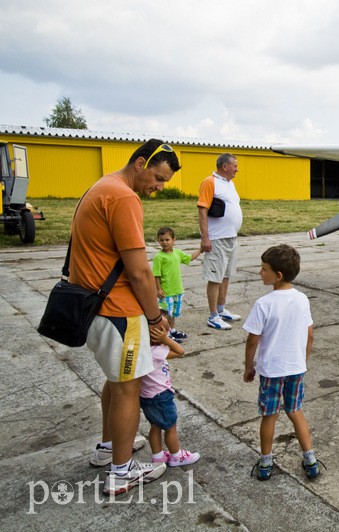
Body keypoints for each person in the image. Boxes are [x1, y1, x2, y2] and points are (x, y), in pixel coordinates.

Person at [75, 139, 180, 495]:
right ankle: (121, 472)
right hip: (118, 311)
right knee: (128, 389)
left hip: (93, 306)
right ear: (139, 164)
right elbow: (139, 272)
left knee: (115, 382)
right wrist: (154, 318)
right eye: (158, 177)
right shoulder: (124, 197)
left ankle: (109, 448)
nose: (159, 186)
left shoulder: (103, 186)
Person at [243, 244, 322, 481]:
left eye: (263, 269)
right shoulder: (302, 299)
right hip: (296, 368)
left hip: (271, 371)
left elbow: (252, 340)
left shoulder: (264, 303)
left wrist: (249, 366)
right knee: (295, 411)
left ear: (277, 275)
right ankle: (310, 459)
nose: (260, 273)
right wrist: (302, 360)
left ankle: (266, 462)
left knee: (270, 416)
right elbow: (310, 334)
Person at [140, 319, 200, 467]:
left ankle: (158, 457)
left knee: (155, 426)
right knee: (170, 427)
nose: (168, 333)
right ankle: (176, 456)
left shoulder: (142, 348)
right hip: (161, 396)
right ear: (157, 335)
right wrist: (165, 340)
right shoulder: (156, 351)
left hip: (146, 395)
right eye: (165, 331)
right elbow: (180, 351)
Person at [198, 153, 243, 331]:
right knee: (215, 278)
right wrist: (205, 238)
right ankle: (213, 316)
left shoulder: (230, 184)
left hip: (231, 237)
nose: (237, 169)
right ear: (225, 166)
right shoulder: (210, 182)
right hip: (217, 239)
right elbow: (202, 210)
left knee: (225, 276)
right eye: (235, 166)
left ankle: (221, 309)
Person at [153, 226, 202, 342]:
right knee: (165, 313)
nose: (164, 242)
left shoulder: (178, 253)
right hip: (166, 291)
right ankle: (165, 334)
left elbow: (189, 258)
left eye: (167, 239)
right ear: (158, 241)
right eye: (161, 240)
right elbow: (156, 275)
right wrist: (158, 289)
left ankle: (172, 330)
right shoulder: (159, 257)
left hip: (177, 290)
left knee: (173, 313)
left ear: (173, 240)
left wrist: (201, 250)